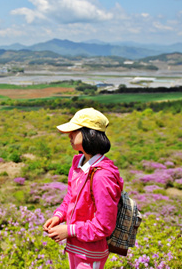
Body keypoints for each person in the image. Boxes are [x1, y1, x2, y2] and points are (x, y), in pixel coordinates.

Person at [43, 107, 123, 269]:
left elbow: (104, 225)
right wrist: (59, 216)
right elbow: (70, 198)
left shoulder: (102, 175)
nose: (69, 135)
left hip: (90, 252)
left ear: (89, 134)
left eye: (75, 130)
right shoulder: (79, 164)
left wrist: (69, 230)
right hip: (77, 248)